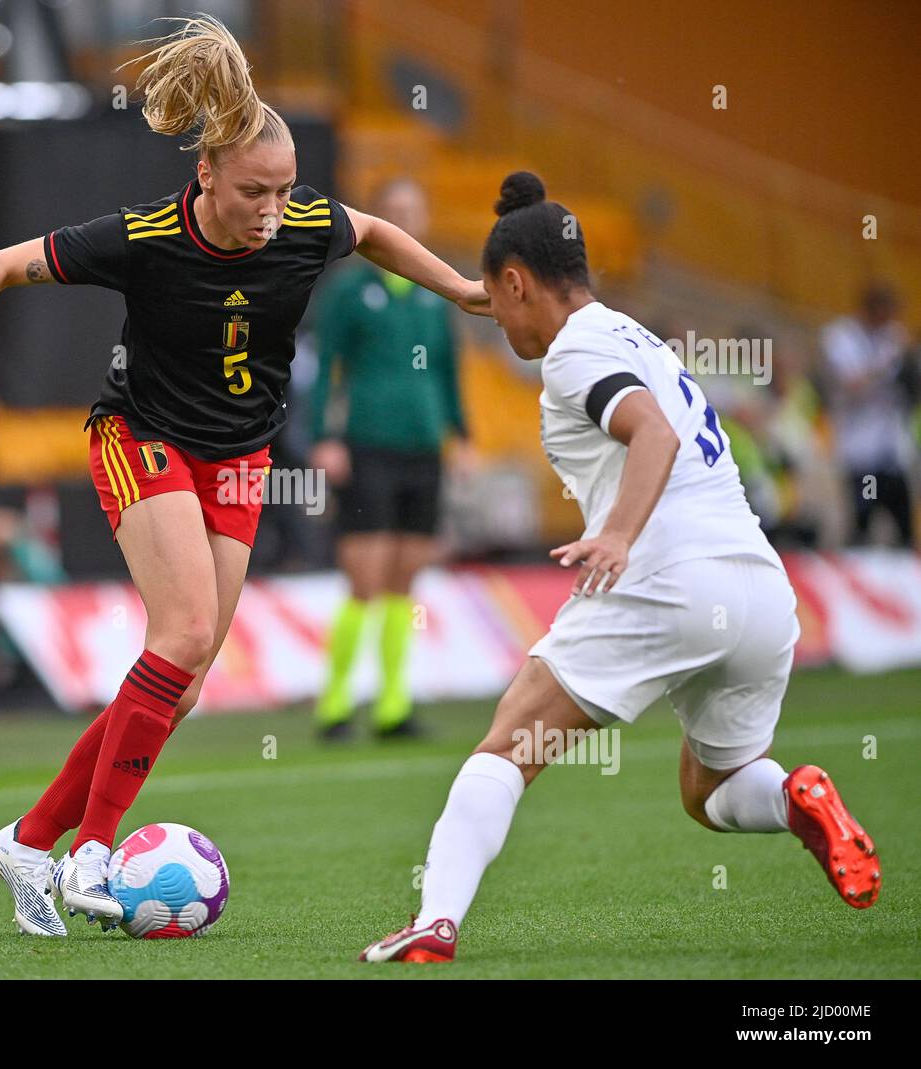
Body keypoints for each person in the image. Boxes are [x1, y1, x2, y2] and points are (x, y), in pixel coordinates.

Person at [0, 14, 490, 938]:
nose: (275, 212)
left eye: (286, 192)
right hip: (143, 435)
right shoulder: (142, 236)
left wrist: (466, 291)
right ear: (204, 174)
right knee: (185, 631)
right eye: (255, 192)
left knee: (188, 671)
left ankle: (29, 839)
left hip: (240, 455)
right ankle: (91, 850)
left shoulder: (307, 224)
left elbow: (371, 232)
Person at [361, 172, 880, 964]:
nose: (493, 320)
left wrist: (619, 536)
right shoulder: (628, 333)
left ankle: (434, 921)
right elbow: (646, 411)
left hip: (666, 578)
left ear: (518, 281)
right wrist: (480, 290)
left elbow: (653, 437)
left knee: (505, 747)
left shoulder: (572, 354)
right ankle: (795, 794)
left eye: (498, 300)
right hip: (759, 591)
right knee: (708, 792)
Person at [309, 176, 473, 739]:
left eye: (413, 210)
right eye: (393, 211)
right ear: (374, 220)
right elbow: (322, 364)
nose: (405, 219)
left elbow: (450, 371)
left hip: (423, 446)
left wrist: (463, 435)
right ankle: (334, 705)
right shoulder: (350, 290)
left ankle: (393, 706)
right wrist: (322, 438)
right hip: (368, 443)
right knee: (365, 576)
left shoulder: (436, 291)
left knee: (406, 579)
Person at [819, 283, 915, 547]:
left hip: (891, 450)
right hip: (860, 450)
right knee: (863, 522)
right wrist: (887, 363)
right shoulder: (840, 337)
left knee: (904, 526)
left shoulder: (892, 336)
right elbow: (852, 384)